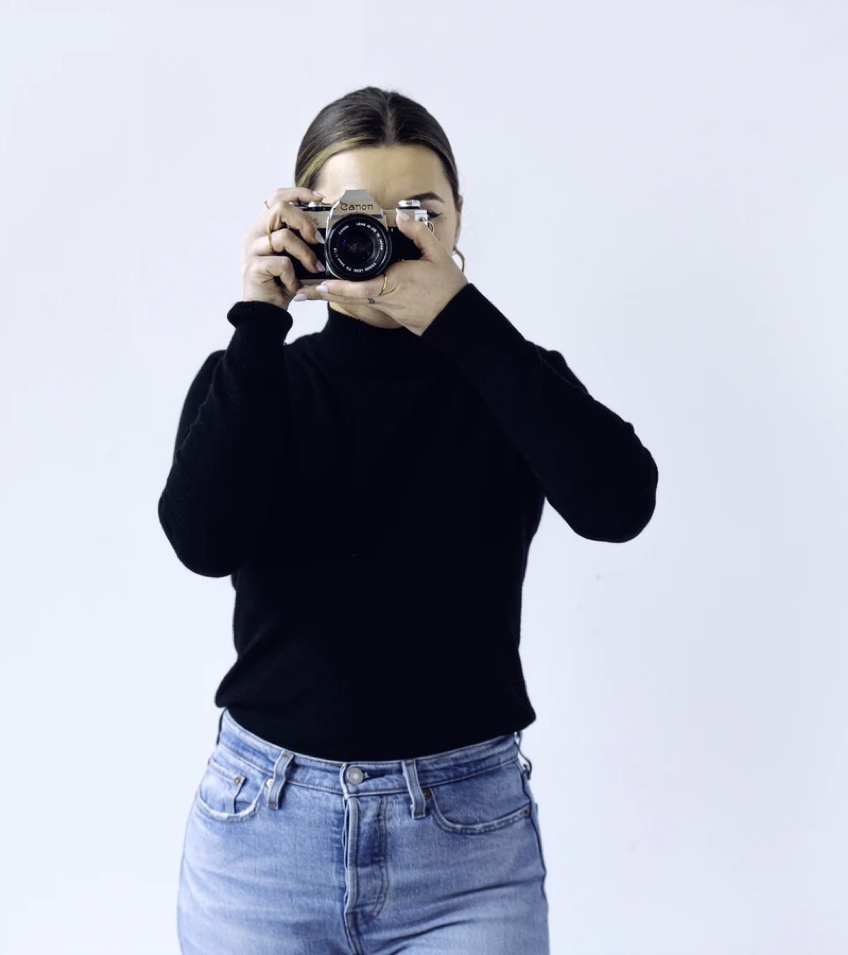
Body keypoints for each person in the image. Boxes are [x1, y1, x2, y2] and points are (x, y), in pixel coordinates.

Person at [158, 85, 658, 955]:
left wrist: (458, 316)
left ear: (458, 218)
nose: (386, 234)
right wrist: (259, 317)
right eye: (355, 214)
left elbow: (619, 506)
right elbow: (203, 543)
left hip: (467, 844)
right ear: (303, 221)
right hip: (263, 834)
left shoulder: (511, 382)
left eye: (418, 212)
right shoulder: (257, 382)